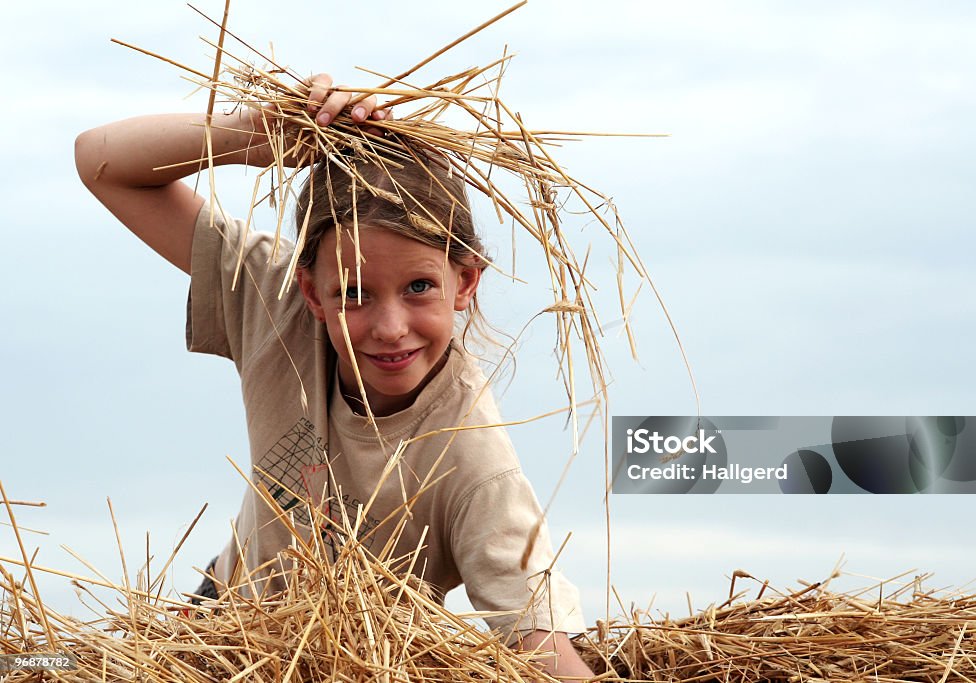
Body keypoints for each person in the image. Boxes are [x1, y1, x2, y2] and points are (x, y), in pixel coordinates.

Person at [74, 74, 594, 679]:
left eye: (420, 286)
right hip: (221, 630)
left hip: (349, 664)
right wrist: (259, 134)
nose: (390, 326)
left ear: (466, 282)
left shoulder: (475, 462)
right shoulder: (276, 308)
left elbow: (537, 643)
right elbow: (101, 163)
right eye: (353, 293)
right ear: (311, 292)